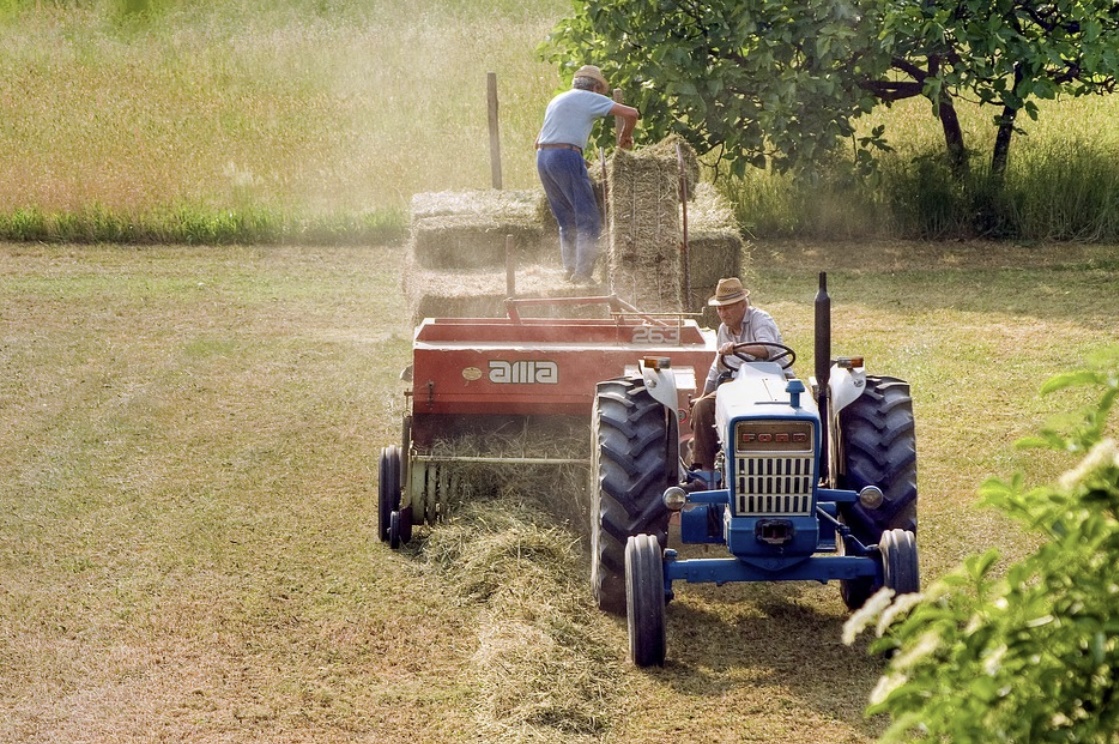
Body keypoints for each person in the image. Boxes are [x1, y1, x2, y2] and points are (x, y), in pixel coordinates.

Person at [535, 64, 640, 285]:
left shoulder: (558, 99)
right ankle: (583, 275)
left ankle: (570, 268)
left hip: (543, 158)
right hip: (565, 156)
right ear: (594, 87)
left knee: (566, 218)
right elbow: (632, 113)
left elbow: (539, 141)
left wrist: (575, 158)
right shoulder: (589, 97)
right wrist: (625, 136)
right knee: (589, 219)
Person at [689, 277, 788, 480]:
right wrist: (704, 394)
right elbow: (717, 366)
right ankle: (705, 473)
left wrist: (737, 349)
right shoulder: (724, 330)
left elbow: (767, 349)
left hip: (772, 382)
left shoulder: (761, 320)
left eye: (728, 308)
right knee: (702, 408)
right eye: (720, 309)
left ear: (743, 304)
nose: (723, 313)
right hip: (737, 385)